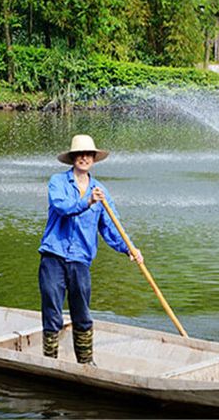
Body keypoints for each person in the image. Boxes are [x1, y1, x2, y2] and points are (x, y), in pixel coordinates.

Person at [38, 134, 142, 365]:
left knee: (82, 313)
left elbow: (111, 227)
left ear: (94, 159)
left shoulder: (101, 192)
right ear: (73, 158)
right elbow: (62, 207)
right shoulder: (58, 182)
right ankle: (49, 362)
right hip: (53, 256)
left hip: (80, 259)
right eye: (80, 154)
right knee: (52, 311)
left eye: (88, 155)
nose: (84, 158)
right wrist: (87, 202)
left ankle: (86, 363)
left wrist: (130, 249)